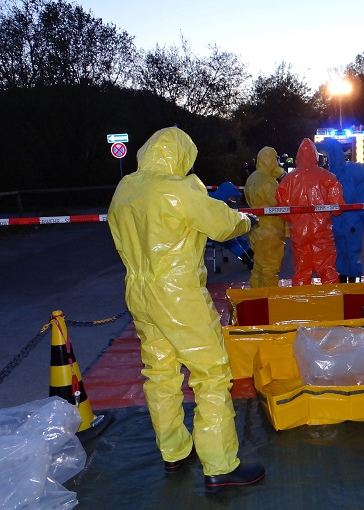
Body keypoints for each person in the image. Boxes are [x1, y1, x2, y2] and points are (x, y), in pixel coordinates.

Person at [107, 127, 265, 491]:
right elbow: (222, 223)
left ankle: (174, 451)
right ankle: (220, 464)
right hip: (177, 294)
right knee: (211, 373)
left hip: (139, 291)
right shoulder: (177, 188)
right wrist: (247, 220)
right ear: (181, 155)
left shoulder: (125, 189)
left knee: (159, 371)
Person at [275, 138, 344, 286]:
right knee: (328, 269)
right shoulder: (328, 177)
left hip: (299, 232)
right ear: (315, 155)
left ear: (298, 156)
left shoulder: (287, 180)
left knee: (301, 271)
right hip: (322, 230)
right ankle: (332, 303)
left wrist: (295, 219)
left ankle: (303, 303)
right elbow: (337, 208)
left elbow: (283, 211)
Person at [315, 138, 364, 283]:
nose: (323, 160)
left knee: (351, 254)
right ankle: (344, 282)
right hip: (337, 221)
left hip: (350, 221)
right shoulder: (328, 176)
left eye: (325, 155)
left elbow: (347, 197)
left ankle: (354, 284)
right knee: (338, 254)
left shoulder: (348, 175)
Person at [244, 146, 286, 287]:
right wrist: (283, 176)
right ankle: (269, 301)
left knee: (258, 267)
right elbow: (281, 202)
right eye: (275, 159)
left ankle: (256, 298)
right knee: (269, 269)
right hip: (270, 231)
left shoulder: (252, 178)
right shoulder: (268, 182)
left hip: (256, 228)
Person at [208, 181, 255, 270]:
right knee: (231, 241)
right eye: (232, 199)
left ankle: (250, 254)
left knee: (236, 236)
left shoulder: (216, 201)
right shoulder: (212, 203)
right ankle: (246, 259)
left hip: (214, 227)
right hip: (209, 230)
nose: (233, 202)